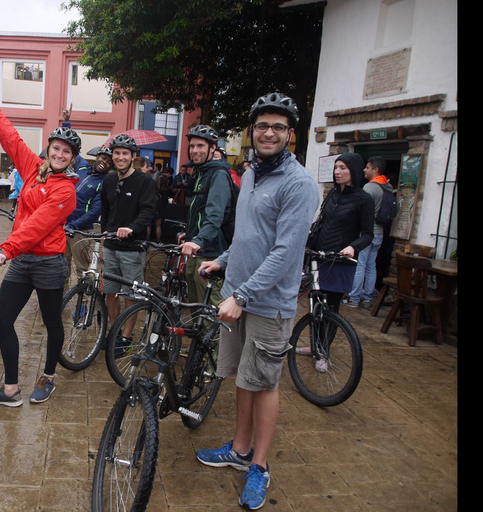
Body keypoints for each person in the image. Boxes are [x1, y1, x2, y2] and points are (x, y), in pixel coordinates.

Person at [195, 92, 319, 510]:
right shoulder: (250, 174)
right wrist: (222, 260)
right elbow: (249, 236)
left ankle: (259, 467)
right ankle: (240, 449)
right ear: (252, 131)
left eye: (278, 127)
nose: (269, 133)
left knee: (265, 382)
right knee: (243, 379)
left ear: (290, 135)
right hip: (237, 296)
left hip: (267, 304)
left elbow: (285, 252)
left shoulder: (298, 184)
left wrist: (243, 295)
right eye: (262, 125)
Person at [0, 79, 79, 406]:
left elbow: (37, 225)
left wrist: (6, 249)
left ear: (72, 158)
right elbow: (10, 137)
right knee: (2, 320)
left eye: (66, 152)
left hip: (48, 263)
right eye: (56, 148)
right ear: (49, 149)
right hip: (22, 262)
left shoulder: (66, 192)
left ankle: (48, 376)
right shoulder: (34, 169)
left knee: (50, 322)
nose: (59, 155)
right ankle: (11, 389)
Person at [99, 133, 156, 357]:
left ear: (133, 156)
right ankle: (115, 331)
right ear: (112, 156)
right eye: (117, 153)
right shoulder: (109, 180)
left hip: (132, 248)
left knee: (130, 294)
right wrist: (104, 230)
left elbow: (149, 211)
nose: (120, 157)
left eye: (125, 153)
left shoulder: (144, 181)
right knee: (110, 292)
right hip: (111, 246)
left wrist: (132, 227)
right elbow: (105, 208)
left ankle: (127, 336)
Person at [310, 152, 374, 313]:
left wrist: (353, 247)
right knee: (315, 309)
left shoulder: (364, 199)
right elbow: (322, 222)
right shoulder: (332, 193)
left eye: (342, 168)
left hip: (340, 261)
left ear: (353, 170)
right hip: (321, 257)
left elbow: (368, 234)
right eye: (336, 167)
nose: (337, 171)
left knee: (330, 309)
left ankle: (325, 339)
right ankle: (314, 338)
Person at [179, 125, 234, 307]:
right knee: (195, 309)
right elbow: (199, 211)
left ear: (212, 149)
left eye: (201, 146)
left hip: (210, 251)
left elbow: (215, 214)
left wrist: (199, 240)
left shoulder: (218, 175)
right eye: (192, 146)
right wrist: (191, 233)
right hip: (198, 250)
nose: (195, 150)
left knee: (210, 310)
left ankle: (215, 337)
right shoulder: (201, 173)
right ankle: (199, 337)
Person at [346, 156, 393, 308]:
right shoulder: (387, 187)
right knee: (371, 265)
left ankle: (353, 298)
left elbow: (359, 211)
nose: (365, 170)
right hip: (379, 232)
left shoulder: (370, 188)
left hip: (367, 232)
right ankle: (367, 297)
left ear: (375, 170)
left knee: (360, 264)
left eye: (367, 167)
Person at [65, 145, 113, 282]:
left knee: (82, 268)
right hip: (63, 224)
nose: (105, 162)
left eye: (109, 162)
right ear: (97, 157)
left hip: (79, 230)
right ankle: (62, 293)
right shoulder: (83, 167)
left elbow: (94, 212)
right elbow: (71, 148)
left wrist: (73, 225)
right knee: (62, 264)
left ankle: (84, 300)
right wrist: (66, 125)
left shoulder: (103, 183)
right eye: (103, 158)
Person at [153, 163, 174, 242]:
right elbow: (160, 189)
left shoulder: (161, 178)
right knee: (158, 223)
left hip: (157, 202)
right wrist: (170, 190)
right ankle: (158, 240)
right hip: (160, 202)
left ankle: (151, 240)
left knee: (152, 224)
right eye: (170, 174)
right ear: (168, 173)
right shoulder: (162, 178)